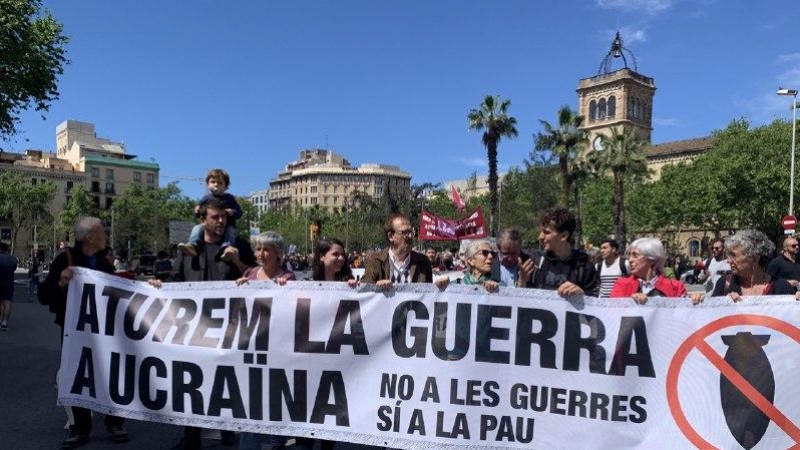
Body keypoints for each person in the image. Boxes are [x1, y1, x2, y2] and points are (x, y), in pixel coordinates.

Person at [149, 199, 254, 450]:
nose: (221, 222)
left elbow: (254, 276)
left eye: (224, 218)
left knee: (225, 381)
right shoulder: (187, 250)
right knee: (192, 383)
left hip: (228, 327)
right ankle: (192, 436)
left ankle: (228, 429)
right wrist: (158, 285)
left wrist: (238, 263)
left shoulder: (237, 246)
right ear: (203, 220)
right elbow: (176, 279)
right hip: (193, 330)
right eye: (215, 217)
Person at [37, 217, 129, 449]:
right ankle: (80, 428)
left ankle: (115, 422)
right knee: (78, 376)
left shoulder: (105, 262)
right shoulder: (64, 260)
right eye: (102, 232)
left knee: (111, 375)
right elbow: (43, 296)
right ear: (90, 237)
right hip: (75, 332)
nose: (106, 236)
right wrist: (60, 281)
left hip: (106, 332)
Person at [695, 229, 794, 303]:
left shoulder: (781, 288)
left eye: (733, 255)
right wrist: (699, 302)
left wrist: (797, 303)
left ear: (755, 259)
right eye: (728, 255)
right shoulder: (724, 284)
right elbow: (712, 322)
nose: (728, 261)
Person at [525, 207, 598, 297]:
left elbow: (595, 303)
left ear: (564, 236)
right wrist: (521, 282)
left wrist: (582, 295)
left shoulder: (585, 267)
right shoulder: (536, 263)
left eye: (546, 232)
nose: (540, 237)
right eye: (541, 232)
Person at [361, 213, 442, 288]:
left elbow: (428, 297)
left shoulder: (423, 262)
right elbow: (364, 292)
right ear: (391, 236)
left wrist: (441, 287)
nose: (410, 236)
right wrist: (376, 286)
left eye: (411, 232)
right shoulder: (375, 260)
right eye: (405, 232)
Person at [178, 168, 243, 261]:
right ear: (208, 184)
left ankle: (227, 248)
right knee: (197, 228)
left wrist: (232, 212)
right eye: (213, 182)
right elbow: (201, 214)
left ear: (226, 186)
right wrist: (197, 210)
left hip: (227, 224)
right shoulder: (206, 198)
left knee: (230, 231)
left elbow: (239, 213)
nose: (216, 184)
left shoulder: (229, 199)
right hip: (209, 227)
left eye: (220, 183)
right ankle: (192, 245)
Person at [610, 237, 688, 303]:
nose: (630, 260)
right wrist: (631, 302)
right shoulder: (621, 285)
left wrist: (695, 302)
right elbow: (614, 314)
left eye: (635, 255)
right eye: (629, 255)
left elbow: (683, 316)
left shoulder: (676, 287)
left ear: (652, 260)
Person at [0, 242, 16, 331]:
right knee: (8, 303)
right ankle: (4, 323)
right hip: (9, 283)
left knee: (1, 303)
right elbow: (14, 269)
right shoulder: (13, 259)